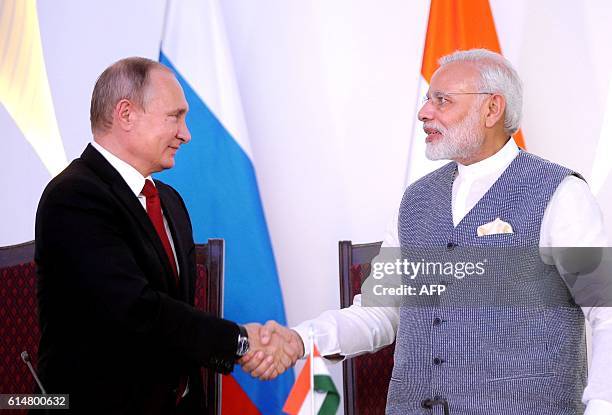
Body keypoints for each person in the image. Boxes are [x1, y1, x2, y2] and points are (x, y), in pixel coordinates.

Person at [242, 49, 612, 414]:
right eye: (427, 100)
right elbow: (380, 310)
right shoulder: (416, 200)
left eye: (442, 101)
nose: (424, 113)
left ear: (492, 109)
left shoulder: (560, 194)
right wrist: (298, 340)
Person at [34, 57, 299, 414]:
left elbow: (178, 317)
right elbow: (135, 311)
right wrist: (240, 342)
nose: (186, 133)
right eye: (175, 116)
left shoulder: (170, 202)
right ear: (125, 114)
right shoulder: (73, 197)